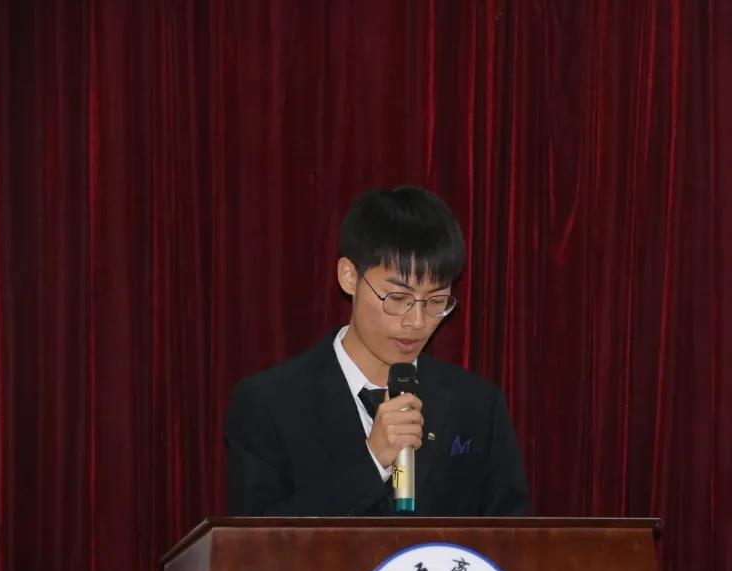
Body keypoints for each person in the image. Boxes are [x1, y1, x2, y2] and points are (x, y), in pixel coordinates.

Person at [225, 186, 532, 517]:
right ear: (349, 277)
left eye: (436, 301)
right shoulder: (268, 404)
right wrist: (373, 460)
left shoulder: (478, 405)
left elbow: (512, 537)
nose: (417, 322)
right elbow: (257, 540)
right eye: (398, 298)